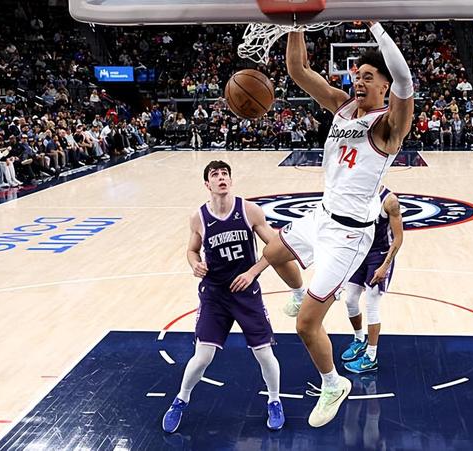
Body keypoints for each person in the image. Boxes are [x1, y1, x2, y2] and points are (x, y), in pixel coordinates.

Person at [263, 21, 413, 428]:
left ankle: (333, 383)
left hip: (349, 235)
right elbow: (298, 70)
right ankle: (299, 291)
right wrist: (294, 23)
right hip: (322, 214)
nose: (359, 82)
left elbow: (406, 79)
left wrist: (376, 26)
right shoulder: (342, 105)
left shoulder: (389, 125)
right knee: (272, 251)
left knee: (306, 324)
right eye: (357, 75)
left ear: (385, 86)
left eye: (369, 77)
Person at [162, 160, 304, 433]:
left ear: (231, 180)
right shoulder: (198, 217)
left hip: (246, 294)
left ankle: (274, 401)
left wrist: (252, 272)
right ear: (207, 184)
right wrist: (195, 264)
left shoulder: (249, 211)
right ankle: (181, 400)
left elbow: (276, 247)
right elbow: (192, 250)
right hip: (215, 295)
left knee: (264, 354)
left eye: (225, 173)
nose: (221, 177)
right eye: (215, 175)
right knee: (202, 357)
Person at [340, 186, 403, 373]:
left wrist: (385, 266)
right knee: (350, 300)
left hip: (380, 255)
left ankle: (371, 357)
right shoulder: (355, 194)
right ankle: (360, 339)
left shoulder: (389, 201)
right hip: (359, 254)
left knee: (372, 306)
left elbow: (398, 238)